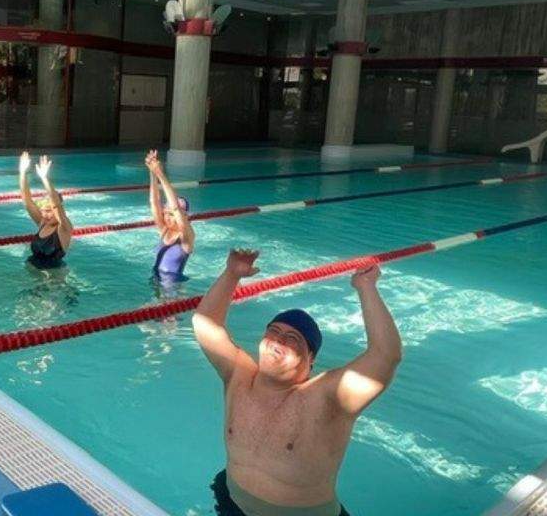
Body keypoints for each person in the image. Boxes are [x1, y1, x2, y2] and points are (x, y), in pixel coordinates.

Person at [193, 250, 402, 516]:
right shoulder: (239, 376)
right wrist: (232, 274)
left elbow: (385, 355)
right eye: (273, 331)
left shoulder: (327, 396)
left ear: (310, 359)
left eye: (293, 339)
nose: (278, 340)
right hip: (232, 502)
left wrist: (366, 286)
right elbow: (205, 322)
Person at [145, 150, 195, 284]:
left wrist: (160, 174)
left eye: (171, 214)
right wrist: (152, 172)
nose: (167, 216)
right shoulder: (164, 230)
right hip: (155, 281)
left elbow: (175, 208)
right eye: (166, 212)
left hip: (172, 288)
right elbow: (154, 202)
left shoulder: (187, 237)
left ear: (185, 217)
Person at [19, 152, 73, 271]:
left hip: (53, 278)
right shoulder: (43, 222)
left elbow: (56, 205)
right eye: (43, 211)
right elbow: (27, 201)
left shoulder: (64, 227)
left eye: (48, 211)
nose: (45, 215)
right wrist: (22, 172)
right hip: (32, 272)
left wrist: (44, 178)